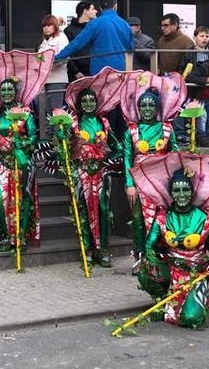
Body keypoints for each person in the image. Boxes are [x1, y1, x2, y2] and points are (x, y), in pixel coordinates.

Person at [133, 154, 209, 329]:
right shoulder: (163, 217)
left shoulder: (203, 218)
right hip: (172, 269)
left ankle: (196, 300)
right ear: (171, 193)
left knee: (191, 319)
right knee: (145, 271)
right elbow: (149, 245)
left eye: (185, 190)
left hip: (197, 273)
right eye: (177, 190)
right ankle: (161, 300)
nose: (181, 194)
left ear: (192, 192)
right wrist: (149, 257)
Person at [0, 45, 54, 252]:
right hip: (1, 163)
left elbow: (35, 139)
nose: (7, 92)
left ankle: (20, 236)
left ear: (16, 92)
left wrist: (23, 144)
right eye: (3, 90)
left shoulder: (26, 113)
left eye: (10, 89)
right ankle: (4, 235)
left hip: (23, 162)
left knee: (24, 199)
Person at [56, 68, 128, 267]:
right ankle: (87, 247)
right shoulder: (73, 123)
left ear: (97, 103)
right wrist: (62, 139)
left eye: (91, 100)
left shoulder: (103, 123)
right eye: (85, 100)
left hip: (101, 173)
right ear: (79, 104)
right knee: (83, 209)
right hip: (81, 173)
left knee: (103, 209)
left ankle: (103, 249)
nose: (88, 103)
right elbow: (64, 150)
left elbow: (118, 147)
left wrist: (107, 160)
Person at [121, 72, 186, 261]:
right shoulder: (131, 131)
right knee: (138, 219)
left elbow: (174, 154)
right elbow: (127, 157)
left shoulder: (167, 128)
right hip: (139, 181)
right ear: (139, 108)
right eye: (144, 105)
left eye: (151, 105)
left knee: (162, 217)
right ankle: (141, 256)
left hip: (162, 181)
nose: (148, 108)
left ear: (157, 107)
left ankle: (161, 255)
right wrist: (129, 184)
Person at [55, 0, 132, 75]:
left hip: (99, 71)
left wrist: (56, 58)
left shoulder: (95, 23)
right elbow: (130, 50)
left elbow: (77, 44)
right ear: (115, 6)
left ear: (100, 8)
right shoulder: (125, 25)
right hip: (119, 71)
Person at [38, 15, 69, 112]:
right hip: (44, 80)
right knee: (45, 113)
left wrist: (49, 63)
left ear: (55, 26)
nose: (46, 28)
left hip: (57, 79)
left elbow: (65, 57)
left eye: (49, 25)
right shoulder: (44, 41)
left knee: (56, 112)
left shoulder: (62, 38)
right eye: (44, 26)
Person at [63, 0, 97, 80]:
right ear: (85, 11)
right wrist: (75, 71)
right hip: (76, 75)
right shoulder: (69, 30)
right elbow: (67, 53)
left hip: (94, 71)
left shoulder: (95, 28)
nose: (96, 11)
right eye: (92, 9)